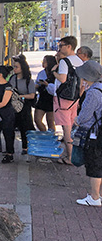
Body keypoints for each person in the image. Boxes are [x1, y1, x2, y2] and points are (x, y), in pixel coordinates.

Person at [73, 60, 102, 206]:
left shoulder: (93, 94)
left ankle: (95, 197)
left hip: (94, 134)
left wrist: (76, 120)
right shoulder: (101, 89)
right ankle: (95, 195)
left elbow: (85, 116)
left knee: (94, 164)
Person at [52, 36, 83, 165]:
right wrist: (79, 97)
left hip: (63, 99)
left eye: (61, 45)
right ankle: (69, 153)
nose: (59, 48)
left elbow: (63, 79)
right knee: (71, 125)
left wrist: (54, 71)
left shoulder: (65, 62)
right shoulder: (80, 61)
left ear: (69, 46)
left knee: (66, 128)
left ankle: (70, 157)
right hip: (74, 98)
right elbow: (82, 84)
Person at [9, 54, 36, 155]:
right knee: (11, 127)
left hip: (24, 107)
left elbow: (32, 95)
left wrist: (21, 97)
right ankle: (9, 150)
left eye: (16, 67)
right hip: (13, 107)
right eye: (14, 67)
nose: (14, 69)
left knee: (25, 127)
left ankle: (25, 147)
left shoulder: (29, 81)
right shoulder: (12, 78)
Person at [34, 55, 57, 131]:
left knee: (50, 121)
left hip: (51, 99)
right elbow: (37, 82)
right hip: (42, 98)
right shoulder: (41, 73)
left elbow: (56, 89)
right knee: (37, 119)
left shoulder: (55, 73)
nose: (43, 63)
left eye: (45, 61)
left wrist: (47, 84)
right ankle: (44, 133)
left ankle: (51, 137)